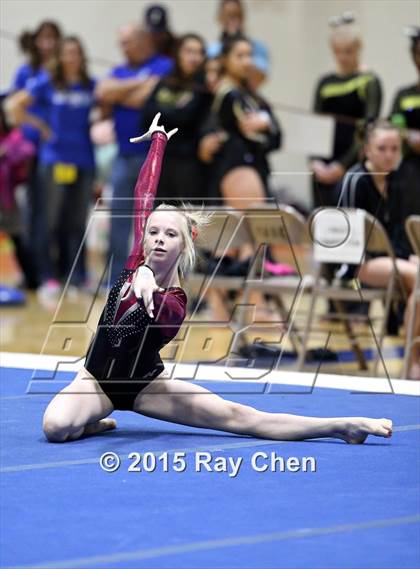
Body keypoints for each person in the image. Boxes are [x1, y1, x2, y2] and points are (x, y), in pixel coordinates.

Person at [42, 114, 393, 445]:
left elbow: (156, 309)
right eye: (153, 232)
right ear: (145, 237)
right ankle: (96, 422)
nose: (159, 239)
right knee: (56, 427)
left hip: (145, 385)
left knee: (240, 417)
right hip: (95, 380)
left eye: (170, 234)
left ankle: (342, 425)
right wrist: (159, 142)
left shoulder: (177, 302)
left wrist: (148, 280)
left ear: (185, 243)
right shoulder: (137, 261)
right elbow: (143, 194)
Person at [7, 36, 97, 292]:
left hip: (84, 160)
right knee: (50, 220)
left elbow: (104, 108)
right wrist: (41, 127)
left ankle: (77, 276)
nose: (72, 57)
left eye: (76, 52)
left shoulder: (89, 85)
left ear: (82, 57)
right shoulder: (47, 82)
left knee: (77, 221)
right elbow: (15, 105)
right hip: (55, 159)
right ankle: (48, 275)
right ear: (60, 57)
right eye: (67, 53)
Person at [340, 120, 419, 379]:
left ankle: (413, 357)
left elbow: (398, 231)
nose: (389, 155)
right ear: (367, 149)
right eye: (382, 148)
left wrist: (408, 257)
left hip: (387, 258)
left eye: (394, 149)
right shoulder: (355, 180)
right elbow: (346, 241)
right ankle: (411, 362)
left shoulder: (396, 181)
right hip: (354, 263)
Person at [95, 23, 172, 285]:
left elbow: (146, 99)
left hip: (153, 158)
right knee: (119, 219)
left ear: (143, 40)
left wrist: (121, 92)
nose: (123, 47)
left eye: (127, 41)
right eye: (122, 42)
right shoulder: (119, 70)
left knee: (153, 222)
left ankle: (151, 276)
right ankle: (116, 278)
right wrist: (140, 84)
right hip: (123, 155)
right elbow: (103, 92)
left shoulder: (163, 65)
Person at [10, 20, 62, 288]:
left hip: (58, 153)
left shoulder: (64, 73)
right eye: (44, 38)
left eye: (54, 38)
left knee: (57, 214)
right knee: (34, 213)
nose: (49, 44)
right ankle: (37, 272)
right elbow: (13, 109)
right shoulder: (27, 72)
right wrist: (38, 126)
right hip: (31, 154)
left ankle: (58, 271)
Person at [311, 13, 382, 208]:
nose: (343, 57)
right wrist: (315, 161)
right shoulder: (325, 83)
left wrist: (342, 165)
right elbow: (313, 126)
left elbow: (368, 128)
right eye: (338, 51)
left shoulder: (369, 81)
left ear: (359, 48)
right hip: (323, 166)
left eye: (348, 51)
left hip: (352, 165)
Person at [142, 33, 212, 202]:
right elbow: (145, 116)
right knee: (158, 216)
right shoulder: (166, 82)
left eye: (199, 52)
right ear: (178, 54)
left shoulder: (204, 88)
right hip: (159, 160)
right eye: (189, 51)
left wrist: (165, 112)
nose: (194, 57)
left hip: (188, 164)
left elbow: (186, 118)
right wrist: (175, 111)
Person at [390, 26, 420, 219]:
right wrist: (408, 136)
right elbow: (394, 123)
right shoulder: (404, 95)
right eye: (419, 53)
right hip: (412, 170)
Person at [208, 0, 269, 89]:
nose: (232, 19)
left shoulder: (257, 47)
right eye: (228, 15)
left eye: (236, 14)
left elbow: (258, 80)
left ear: (243, 16)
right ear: (220, 17)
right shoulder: (212, 48)